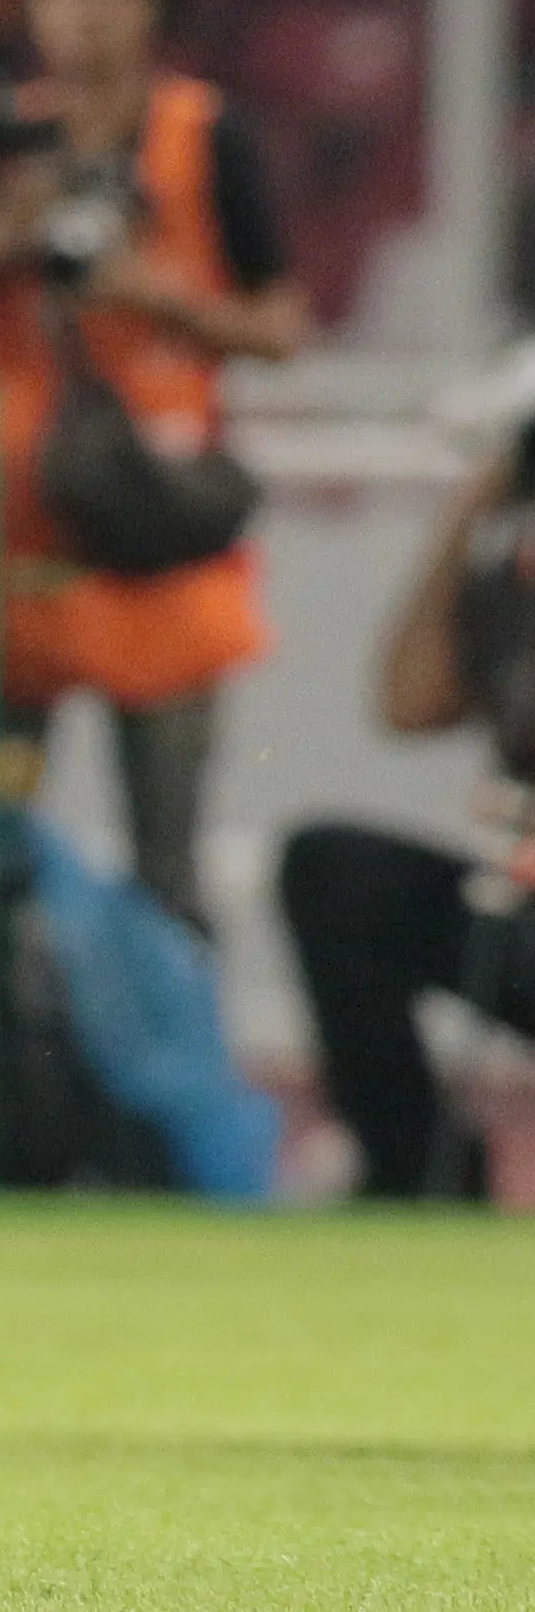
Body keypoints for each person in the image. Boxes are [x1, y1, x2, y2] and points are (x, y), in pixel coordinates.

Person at [0, 0, 309, 932]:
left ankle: (170, 1087)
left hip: (155, 550)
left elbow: (280, 325)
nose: (82, 11)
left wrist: (145, 288)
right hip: (13, 556)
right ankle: (3, 1084)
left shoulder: (204, 138)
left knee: (165, 857)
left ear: (156, 4)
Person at [282, 426, 535, 1199]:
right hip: (518, 913)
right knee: (335, 869)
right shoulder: (509, 596)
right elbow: (407, 701)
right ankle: (416, 1174)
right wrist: (465, 515)